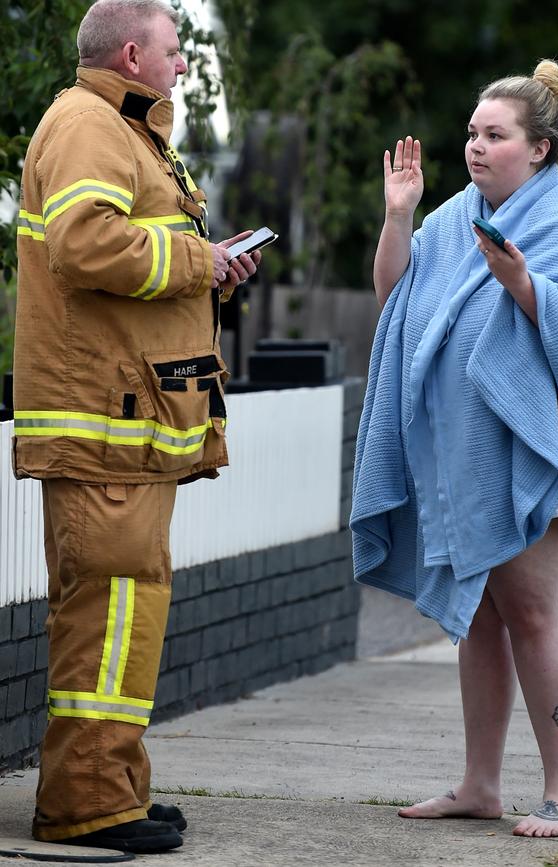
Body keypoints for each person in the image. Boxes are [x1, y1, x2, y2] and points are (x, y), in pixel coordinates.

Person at [351, 60, 558, 838]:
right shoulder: (453, 216)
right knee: (477, 619)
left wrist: (525, 285)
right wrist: (399, 215)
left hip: (531, 454)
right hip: (459, 459)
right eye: (472, 133)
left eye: (494, 135)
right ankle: (479, 783)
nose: (475, 147)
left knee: (534, 612)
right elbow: (394, 297)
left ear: (539, 148)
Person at [13, 0, 261, 853]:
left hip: (132, 424)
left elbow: (136, 249)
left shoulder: (126, 130)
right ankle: (85, 805)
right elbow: (85, 246)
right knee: (107, 614)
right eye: (173, 50)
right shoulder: (88, 127)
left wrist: (210, 267)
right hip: (104, 425)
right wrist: (199, 256)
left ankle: (115, 788)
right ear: (130, 54)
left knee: (127, 614)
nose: (185, 65)